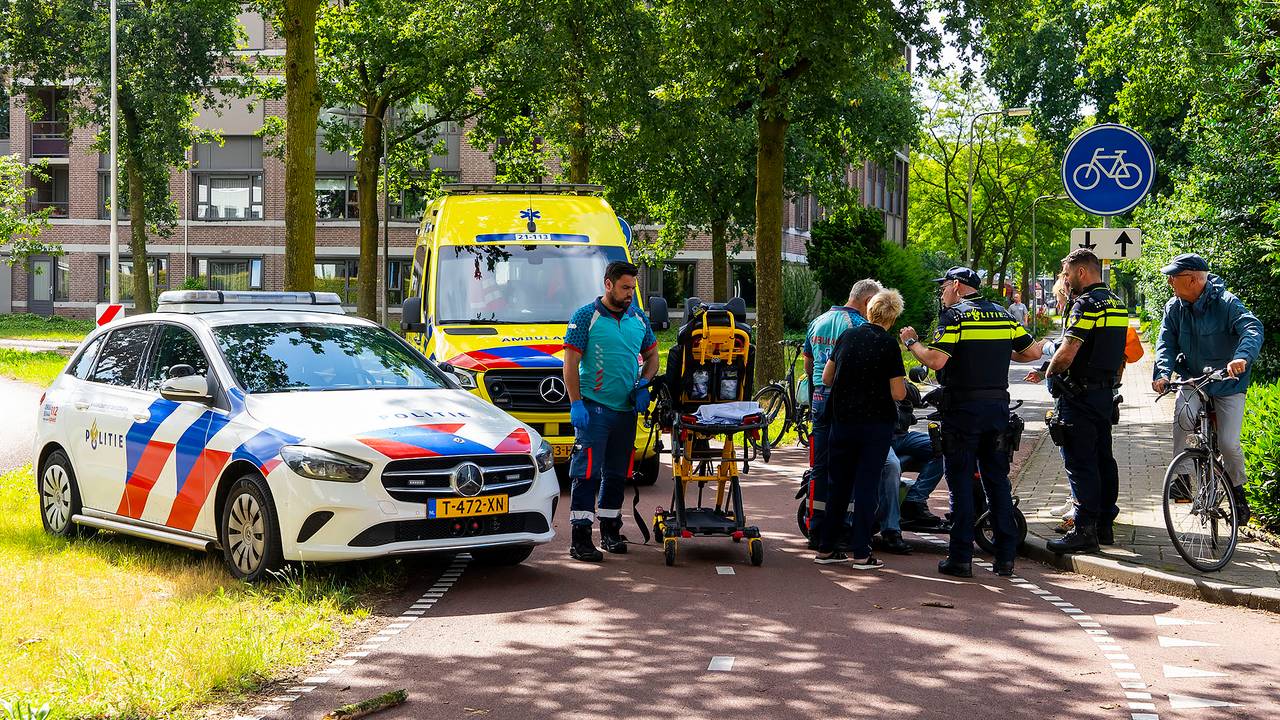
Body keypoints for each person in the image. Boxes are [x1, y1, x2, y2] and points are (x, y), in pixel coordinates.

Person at [900, 267, 1043, 578]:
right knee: (997, 482)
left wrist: (912, 343)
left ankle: (960, 558)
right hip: (996, 410)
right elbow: (1032, 351)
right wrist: (999, 352)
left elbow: (937, 361)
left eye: (943, 288)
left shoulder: (954, 317)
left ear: (956, 285)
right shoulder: (1003, 315)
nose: (941, 294)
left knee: (961, 483)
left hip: (962, 411)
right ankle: (1005, 558)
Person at [1153, 253, 1264, 523]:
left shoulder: (1226, 303)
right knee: (1183, 417)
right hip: (1194, 378)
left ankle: (1237, 491)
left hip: (1228, 382)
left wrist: (1242, 357)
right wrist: (1162, 373)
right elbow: (1165, 342)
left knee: (1228, 443)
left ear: (1192, 279)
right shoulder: (1174, 307)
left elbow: (1252, 328)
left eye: (1174, 277)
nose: (1169, 281)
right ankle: (1182, 480)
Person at [562, 261, 660, 561]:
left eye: (633, 288)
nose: (630, 293)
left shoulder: (638, 319)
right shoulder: (585, 317)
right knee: (586, 473)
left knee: (618, 474)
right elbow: (570, 363)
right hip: (594, 410)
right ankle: (580, 539)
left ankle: (610, 531)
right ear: (608, 285)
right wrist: (576, 402)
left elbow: (653, 355)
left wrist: (644, 384)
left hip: (625, 412)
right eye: (625, 287)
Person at [1042, 249, 1130, 554]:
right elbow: (1123, 354)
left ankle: (1084, 530)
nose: (1065, 281)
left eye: (1067, 274)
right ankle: (1105, 524)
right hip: (1104, 394)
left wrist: (1050, 374)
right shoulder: (1117, 303)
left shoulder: (1086, 304)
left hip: (1077, 395)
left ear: (1081, 272)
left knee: (1080, 463)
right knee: (1104, 457)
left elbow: (1068, 350)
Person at [816, 289, 908, 569]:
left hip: (842, 421)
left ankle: (826, 547)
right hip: (874, 425)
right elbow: (898, 392)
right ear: (892, 317)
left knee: (838, 485)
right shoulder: (888, 344)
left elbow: (826, 377)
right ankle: (861, 552)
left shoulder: (848, 336)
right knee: (867, 486)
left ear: (870, 310)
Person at [802, 278, 883, 542]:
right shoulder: (859, 326)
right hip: (845, 398)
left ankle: (815, 524)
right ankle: (845, 527)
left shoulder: (819, 320)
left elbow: (809, 361)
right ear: (868, 301)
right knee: (849, 462)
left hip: (818, 395)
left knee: (820, 464)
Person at [894, 381, 949, 531]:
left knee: (942, 447)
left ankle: (915, 498)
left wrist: (900, 381)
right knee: (940, 448)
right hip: (888, 436)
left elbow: (915, 396)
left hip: (902, 435)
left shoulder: (893, 372)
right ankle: (914, 501)